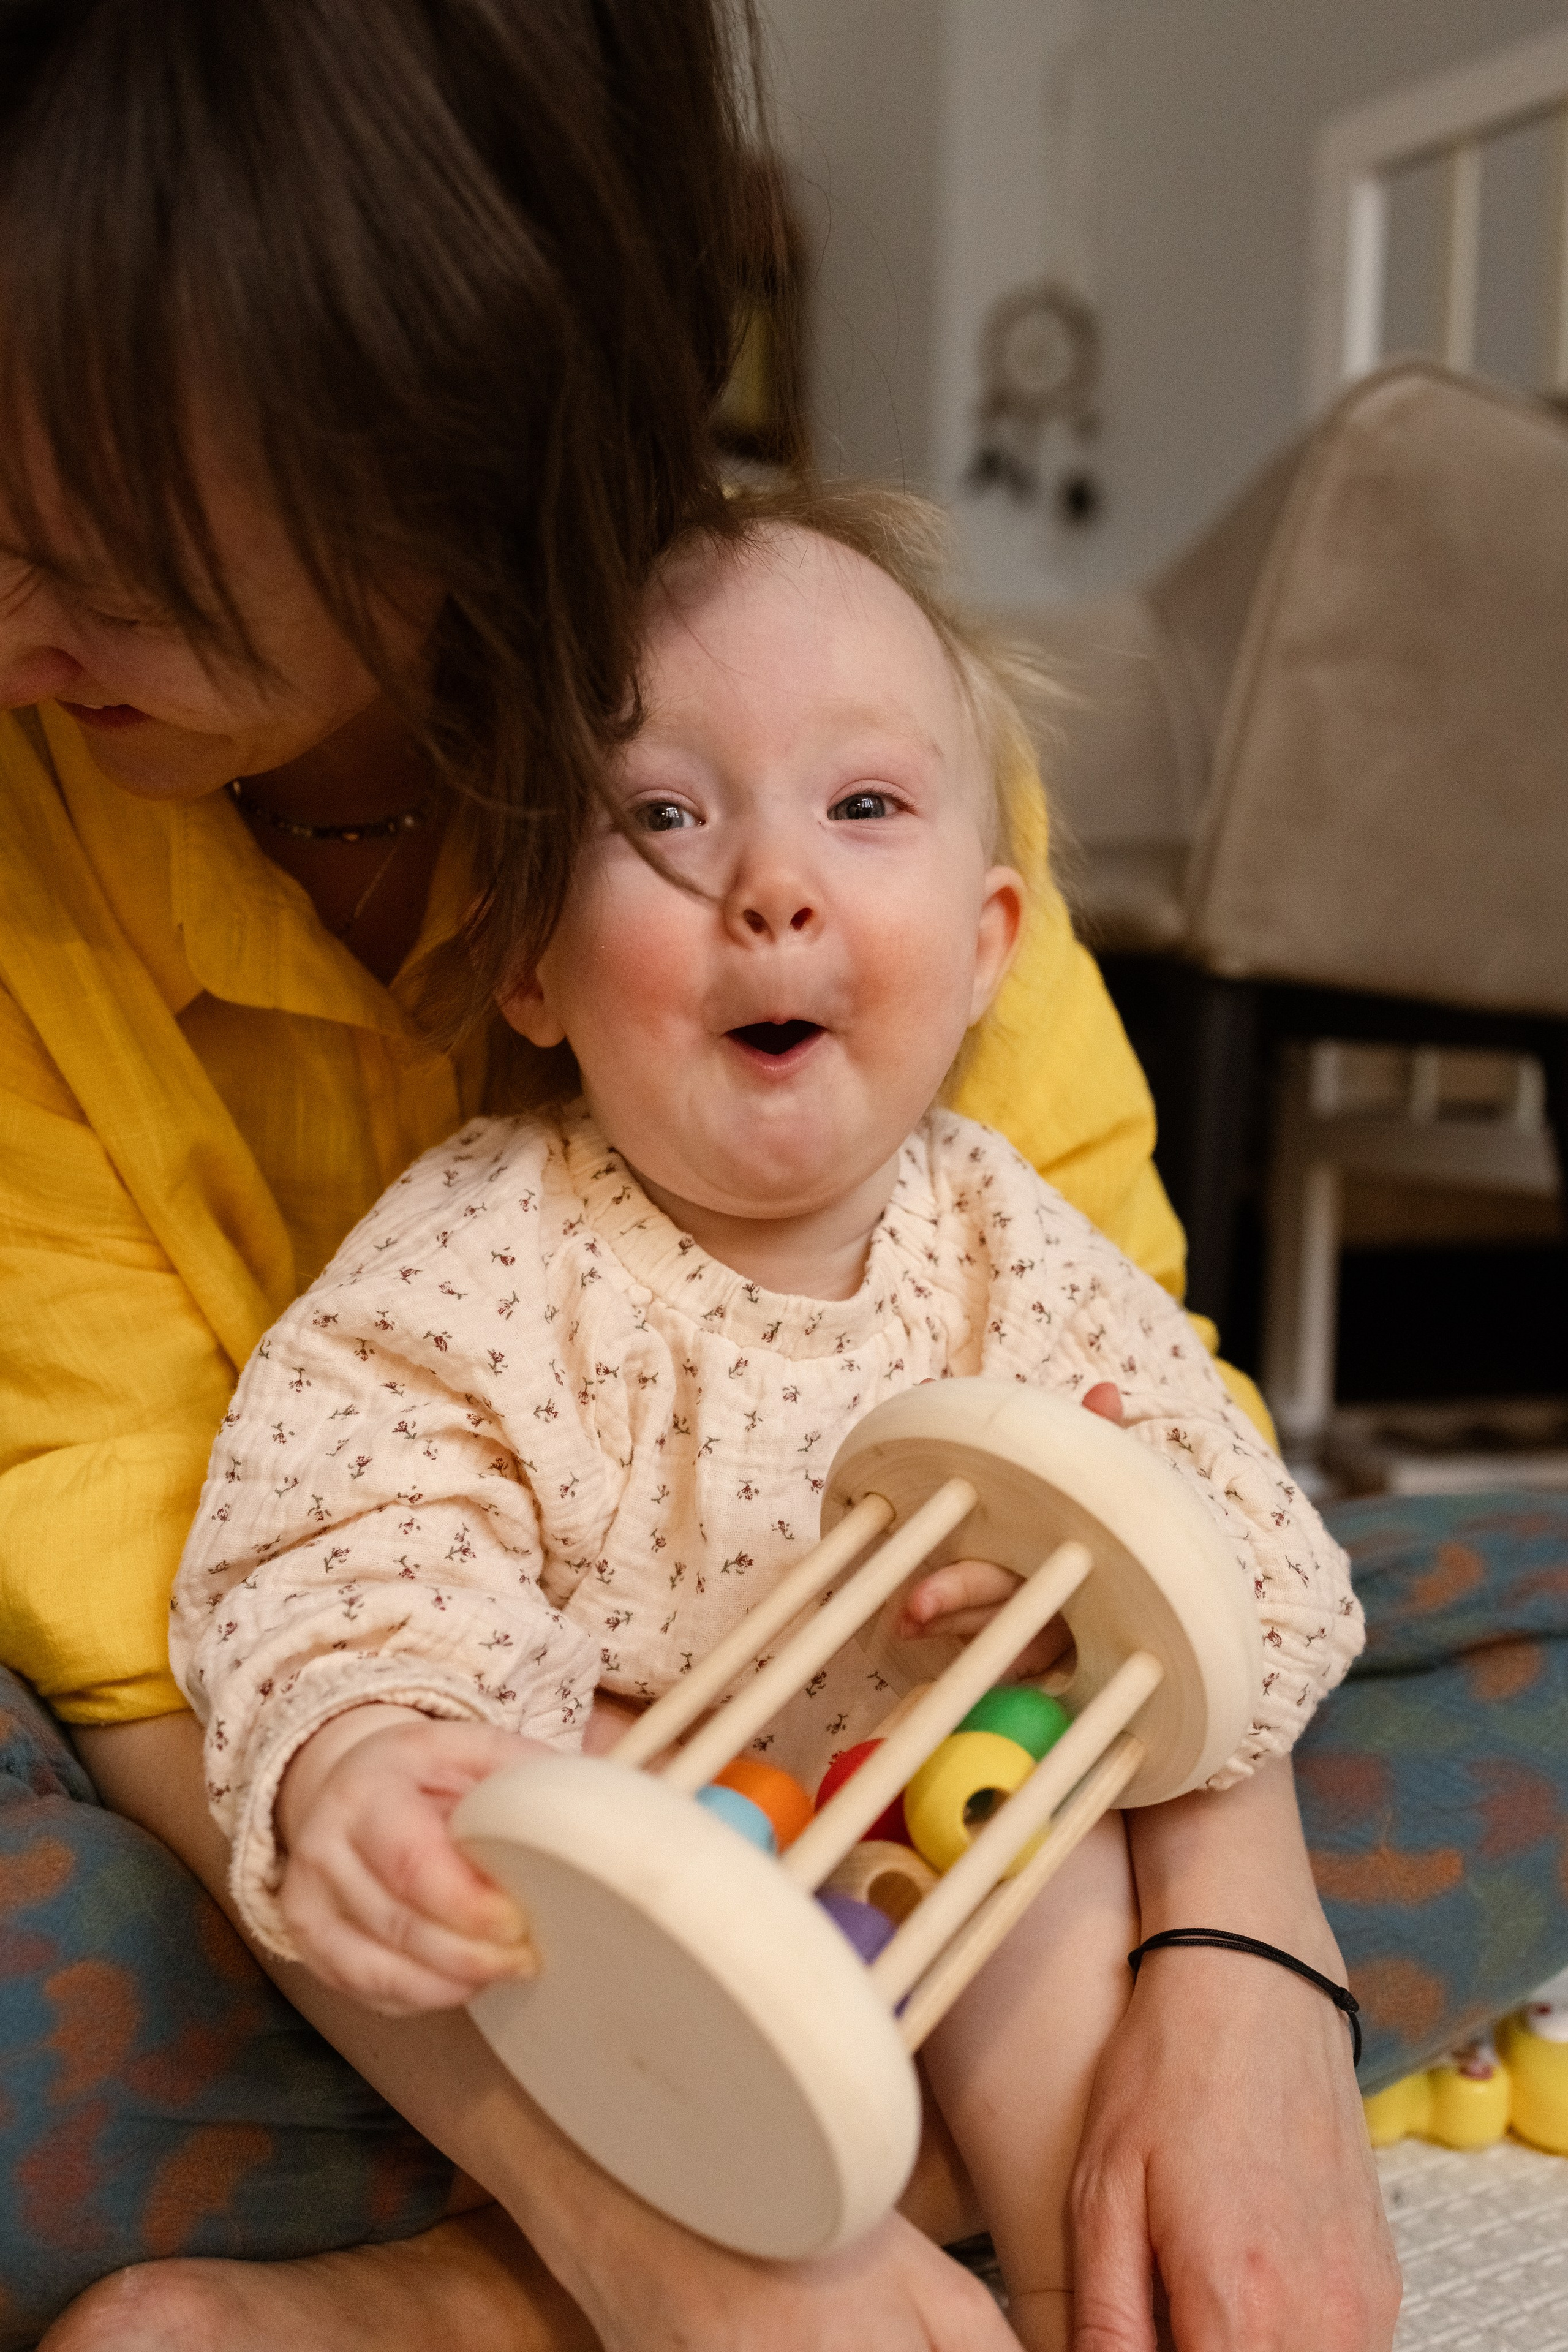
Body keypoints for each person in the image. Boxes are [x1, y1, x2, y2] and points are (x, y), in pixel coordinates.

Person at [0, 3, 1562, 2348]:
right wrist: (697, 2232)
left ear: (449, 433)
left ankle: (486, 2275)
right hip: (349, 1779)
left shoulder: (845, 720)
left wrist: (1253, 1977)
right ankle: (692, 2219)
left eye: (100, 552)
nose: (8, 616)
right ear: (540, 954)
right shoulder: (449, 1236)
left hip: (904, 1766)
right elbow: (194, 1619)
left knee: (1205, 1760)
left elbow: (1156, 1463)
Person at [169, 486, 1380, 2351]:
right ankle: (561, 2267)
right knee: (515, 1803)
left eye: (865, 807)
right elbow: (350, 1519)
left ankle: (1086, 2297)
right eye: (666, 815)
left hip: (927, 1892)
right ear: (529, 964)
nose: (774, 884)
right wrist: (365, 1752)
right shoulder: (485, 1251)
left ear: (989, 946)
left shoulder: (1012, 1247)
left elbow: (1246, 1537)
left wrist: (1092, 1600)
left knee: (1056, 1842)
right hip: (628, 1955)